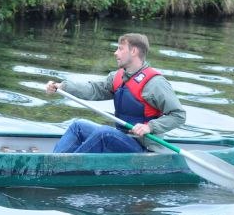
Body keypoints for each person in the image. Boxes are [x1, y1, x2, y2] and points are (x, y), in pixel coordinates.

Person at [45, 33, 185, 153]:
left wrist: (150, 127)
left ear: (134, 51)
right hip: (121, 137)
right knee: (78, 126)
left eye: (120, 48)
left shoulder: (155, 84)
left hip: (145, 148)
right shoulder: (117, 77)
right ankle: (54, 162)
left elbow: (179, 115)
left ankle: (65, 167)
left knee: (104, 133)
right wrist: (63, 86)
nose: (115, 53)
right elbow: (94, 89)